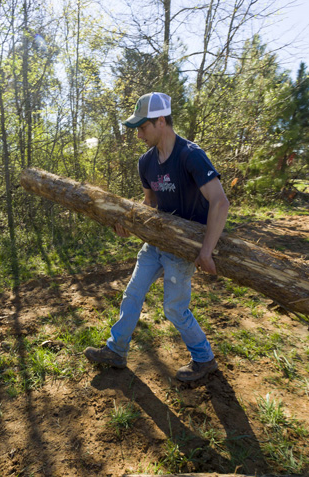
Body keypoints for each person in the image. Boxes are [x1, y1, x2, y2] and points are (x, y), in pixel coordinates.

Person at [84, 92, 230, 382]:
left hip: (183, 246)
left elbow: (220, 201)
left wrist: (206, 251)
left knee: (174, 308)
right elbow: (149, 203)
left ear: (161, 121)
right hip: (154, 243)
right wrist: (129, 223)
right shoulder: (146, 163)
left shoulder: (191, 155)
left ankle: (204, 359)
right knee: (133, 294)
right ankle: (117, 350)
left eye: (142, 127)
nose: (138, 134)